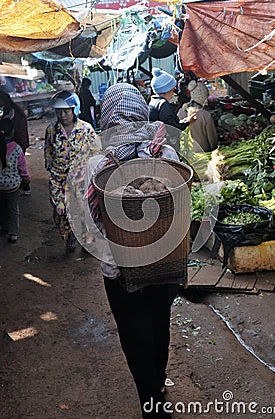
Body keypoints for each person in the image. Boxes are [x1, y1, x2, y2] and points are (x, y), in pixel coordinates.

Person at [86, 83, 183, 418]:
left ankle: (150, 403)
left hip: (119, 267)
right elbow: (179, 209)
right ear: (141, 113)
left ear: (107, 117)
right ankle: (157, 385)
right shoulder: (165, 153)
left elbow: (93, 221)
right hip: (163, 261)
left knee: (135, 335)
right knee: (160, 327)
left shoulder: (98, 165)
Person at [44, 90, 100, 253]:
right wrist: (50, 166)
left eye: (66, 111)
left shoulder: (86, 129)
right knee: (61, 210)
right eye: (59, 111)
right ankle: (69, 237)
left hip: (80, 180)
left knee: (85, 211)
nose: (62, 115)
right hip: (58, 178)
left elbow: (95, 153)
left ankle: (87, 242)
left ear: (74, 110)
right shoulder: (51, 131)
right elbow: (48, 150)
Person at [0, 116, 30, 243]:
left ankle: (3, 226)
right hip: (13, 186)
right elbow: (23, 168)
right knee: (13, 208)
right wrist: (26, 179)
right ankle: (13, 233)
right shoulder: (17, 149)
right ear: (12, 132)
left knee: (2, 207)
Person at [148, 68, 192, 151]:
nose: (173, 94)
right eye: (172, 90)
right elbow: (172, 129)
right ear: (166, 91)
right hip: (165, 148)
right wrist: (187, 122)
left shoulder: (153, 101)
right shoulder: (163, 104)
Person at [0, 88, 30, 194]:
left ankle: (25, 186)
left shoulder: (11, 111)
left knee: (18, 165)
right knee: (20, 164)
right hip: (21, 140)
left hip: (18, 140)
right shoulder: (14, 109)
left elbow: (8, 125)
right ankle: (23, 186)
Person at [177, 80, 218, 152]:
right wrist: (214, 150)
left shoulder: (181, 111)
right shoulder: (205, 115)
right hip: (203, 153)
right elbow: (212, 139)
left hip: (185, 152)